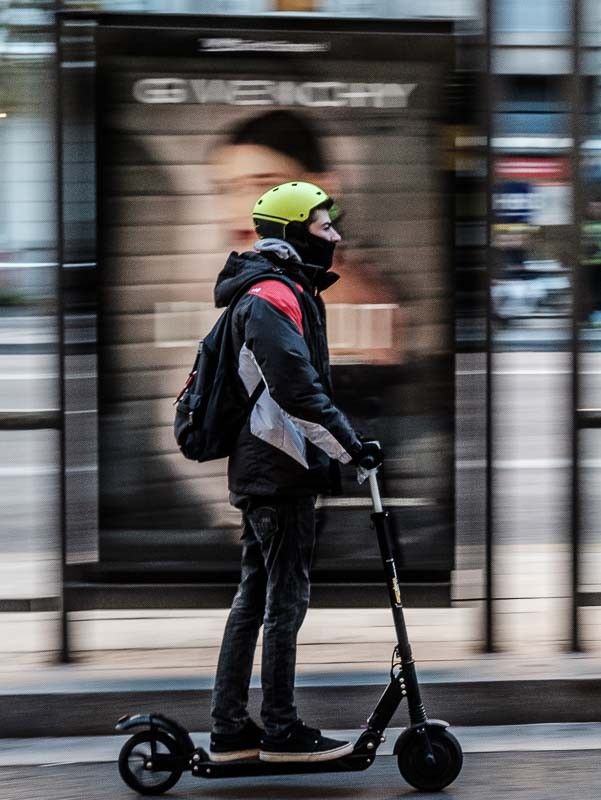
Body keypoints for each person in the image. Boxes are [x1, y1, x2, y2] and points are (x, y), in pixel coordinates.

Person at [208, 180, 384, 764]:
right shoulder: (273, 296)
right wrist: (353, 449)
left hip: (267, 468)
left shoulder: (280, 290)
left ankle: (232, 730)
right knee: (284, 601)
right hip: (278, 469)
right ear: (290, 232)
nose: (334, 236)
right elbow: (298, 391)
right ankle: (279, 730)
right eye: (322, 226)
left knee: (255, 598)